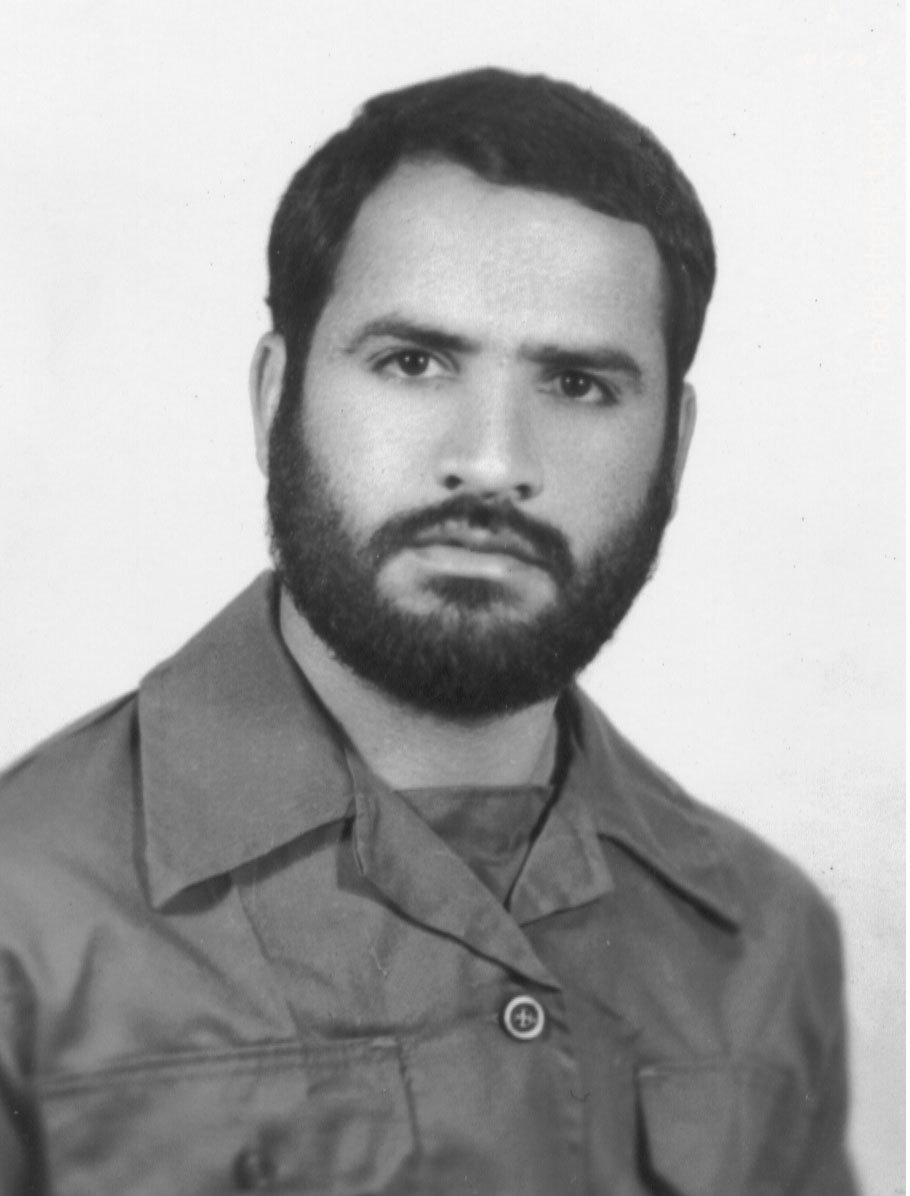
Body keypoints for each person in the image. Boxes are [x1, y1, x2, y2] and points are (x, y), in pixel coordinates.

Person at [0, 68, 857, 1194]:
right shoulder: (23, 913)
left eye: (577, 383)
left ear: (675, 449)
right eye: (413, 363)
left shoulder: (763, 935)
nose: (493, 461)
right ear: (274, 398)